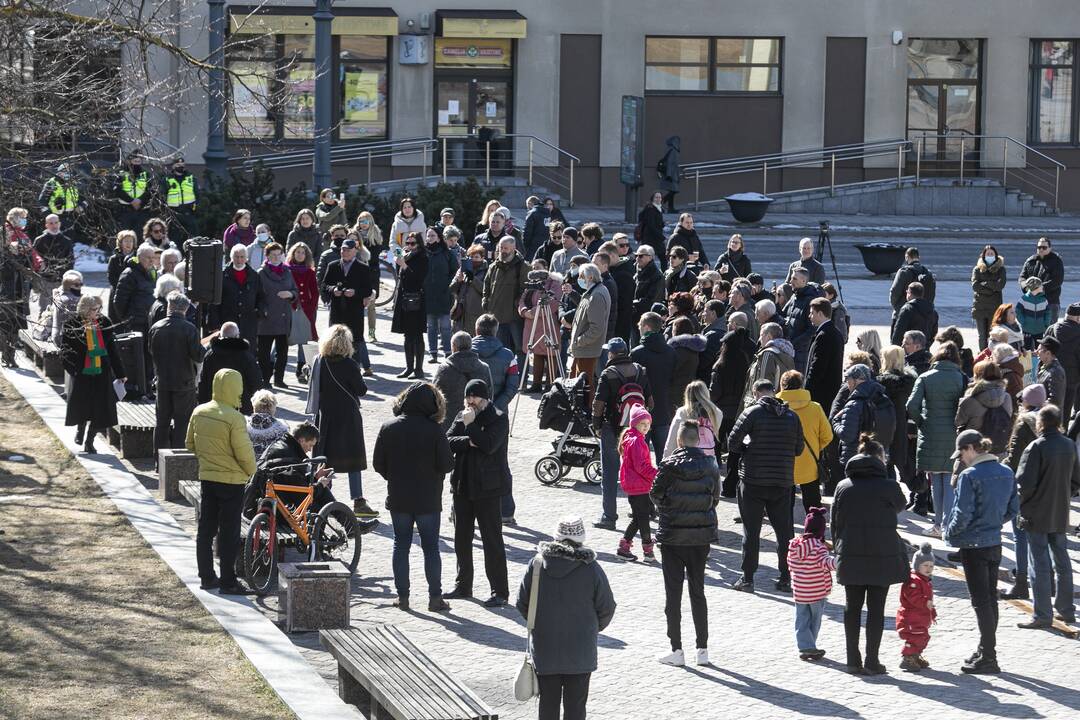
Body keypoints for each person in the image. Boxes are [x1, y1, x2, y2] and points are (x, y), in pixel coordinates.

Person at [516, 517, 616, 720]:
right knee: (576, 708)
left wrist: (541, 624)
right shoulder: (591, 568)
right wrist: (590, 628)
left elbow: (522, 603)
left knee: (547, 705)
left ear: (556, 536)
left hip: (545, 649)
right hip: (580, 651)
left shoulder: (537, 565)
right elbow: (607, 607)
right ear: (581, 538)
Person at [373, 382, 454, 612]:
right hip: (428, 498)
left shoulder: (388, 427)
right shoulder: (435, 430)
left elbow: (378, 463)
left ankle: (403, 597)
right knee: (431, 548)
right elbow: (448, 464)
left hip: (399, 496)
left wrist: (394, 476)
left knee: (401, 545)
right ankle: (435, 598)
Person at [944, 429, 1020, 673]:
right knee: (990, 599)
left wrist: (950, 534)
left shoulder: (970, 475)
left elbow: (961, 514)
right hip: (994, 542)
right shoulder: (1006, 472)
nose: (961, 460)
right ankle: (985, 648)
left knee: (981, 602)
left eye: (961, 455)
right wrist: (994, 523)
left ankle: (989, 655)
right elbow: (1013, 508)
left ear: (970, 449)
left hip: (973, 545)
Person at [832, 433, 909, 675]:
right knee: (876, 609)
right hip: (882, 554)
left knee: (851, 607)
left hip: (851, 552)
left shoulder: (843, 486)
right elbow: (901, 506)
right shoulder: (889, 486)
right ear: (880, 459)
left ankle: (852, 660)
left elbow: (835, 523)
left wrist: (839, 550)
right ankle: (872, 661)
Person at [651, 419, 719, 666]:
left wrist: (669, 509)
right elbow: (715, 497)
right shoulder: (710, 464)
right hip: (700, 538)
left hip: (673, 536)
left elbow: (655, 494)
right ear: (698, 440)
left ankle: (676, 649)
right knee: (698, 592)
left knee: (673, 595)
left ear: (679, 440)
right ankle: (702, 649)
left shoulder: (669, 466)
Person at [727, 379, 803, 593]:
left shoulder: (751, 413)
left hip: (753, 480)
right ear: (775, 392)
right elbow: (799, 449)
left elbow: (732, 443)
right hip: (782, 481)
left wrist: (748, 450)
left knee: (751, 531)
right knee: (784, 532)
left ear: (755, 392)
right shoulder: (792, 416)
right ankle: (786, 577)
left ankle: (748, 578)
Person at [186, 368, 257, 594]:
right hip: (232, 481)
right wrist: (250, 471)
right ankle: (228, 580)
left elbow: (190, 444)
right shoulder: (234, 418)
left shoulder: (199, 411)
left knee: (205, 529)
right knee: (229, 532)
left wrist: (208, 459)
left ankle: (206, 576)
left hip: (208, 477)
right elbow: (244, 453)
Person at [445, 379, 511, 607]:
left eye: (474, 397)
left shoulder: (499, 417)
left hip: (488, 488)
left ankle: (500, 591)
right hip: (462, 486)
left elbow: (489, 445)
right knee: (461, 538)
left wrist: (472, 427)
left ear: (485, 398)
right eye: (468, 397)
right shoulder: (462, 415)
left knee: (492, 540)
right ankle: (463, 585)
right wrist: (468, 440)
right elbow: (448, 441)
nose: (470, 401)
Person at [1015, 404, 1080, 629]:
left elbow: (1025, 484)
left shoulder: (1036, 447)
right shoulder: (1069, 445)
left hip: (1036, 513)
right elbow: (1076, 480)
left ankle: (1042, 614)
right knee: (1062, 561)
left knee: (1039, 564)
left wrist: (1022, 507)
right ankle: (1066, 609)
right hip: (1060, 512)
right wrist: (1062, 496)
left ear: (1040, 423)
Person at [311, 324, 376, 518]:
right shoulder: (350, 364)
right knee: (353, 459)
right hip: (348, 416)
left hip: (326, 416)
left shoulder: (320, 361)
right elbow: (361, 390)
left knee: (325, 459)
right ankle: (358, 500)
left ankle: (323, 497)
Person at [591, 338, 653, 529]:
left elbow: (598, 404)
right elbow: (650, 401)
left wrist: (597, 425)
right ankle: (645, 509)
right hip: (636, 430)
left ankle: (609, 517)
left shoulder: (608, 374)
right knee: (640, 469)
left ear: (610, 354)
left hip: (613, 427)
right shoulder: (640, 370)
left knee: (609, 473)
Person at [907, 342, 967, 537]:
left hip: (930, 432)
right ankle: (947, 524)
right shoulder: (961, 378)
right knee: (949, 479)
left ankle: (938, 524)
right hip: (953, 433)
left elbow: (911, 405)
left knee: (936, 480)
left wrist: (922, 423)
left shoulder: (925, 377)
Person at [61, 294, 126, 453]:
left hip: (102, 373)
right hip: (82, 372)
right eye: (94, 309)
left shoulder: (105, 322)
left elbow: (112, 350)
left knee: (102, 409)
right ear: (84, 309)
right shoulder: (72, 324)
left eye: (99, 309)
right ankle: (81, 428)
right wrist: (74, 370)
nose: (97, 312)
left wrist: (120, 373)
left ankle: (90, 441)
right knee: (83, 405)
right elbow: (66, 352)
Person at [1003, 384, 1048, 600]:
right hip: (1045, 487)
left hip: (1022, 486)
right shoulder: (1052, 422)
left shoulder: (1022, 424)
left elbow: (1013, 459)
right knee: (1043, 536)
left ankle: (1021, 582)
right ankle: (1047, 581)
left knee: (1019, 535)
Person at [149, 291, 203, 459]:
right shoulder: (189, 329)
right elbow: (198, 355)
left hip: (163, 382)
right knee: (182, 424)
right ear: (185, 309)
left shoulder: (155, 328)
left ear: (169, 307)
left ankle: (158, 461)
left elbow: (150, 351)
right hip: (184, 383)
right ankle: (177, 462)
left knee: (162, 423)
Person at [777, 371, 833, 515]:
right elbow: (828, 436)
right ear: (801, 385)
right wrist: (814, 447)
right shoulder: (815, 407)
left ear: (782, 386)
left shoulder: (775, 408)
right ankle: (815, 534)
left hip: (782, 464)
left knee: (783, 508)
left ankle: (785, 535)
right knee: (813, 505)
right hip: (809, 464)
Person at [786, 506, 835, 661]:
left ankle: (805, 645)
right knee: (814, 620)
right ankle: (809, 646)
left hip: (800, 591)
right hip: (817, 591)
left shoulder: (794, 545)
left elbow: (790, 565)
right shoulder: (819, 547)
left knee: (801, 619)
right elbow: (826, 563)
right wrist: (840, 562)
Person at [258, 421, 335, 514]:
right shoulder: (292, 459)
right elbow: (303, 494)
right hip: (281, 510)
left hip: (261, 502)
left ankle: (348, 522)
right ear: (302, 440)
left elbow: (294, 482)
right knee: (321, 506)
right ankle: (349, 524)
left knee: (320, 490)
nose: (310, 449)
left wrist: (315, 476)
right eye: (310, 445)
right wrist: (320, 485)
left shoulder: (281, 445)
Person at [708, 312, 755, 450]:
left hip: (721, 409)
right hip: (739, 409)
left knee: (716, 442)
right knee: (736, 445)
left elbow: (715, 391)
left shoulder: (720, 366)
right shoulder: (745, 364)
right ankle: (733, 470)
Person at [617, 405, 658, 560]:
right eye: (643, 424)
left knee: (639, 517)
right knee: (643, 519)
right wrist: (657, 474)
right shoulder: (637, 441)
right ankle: (647, 550)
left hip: (637, 485)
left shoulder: (633, 438)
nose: (646, 427)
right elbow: (641, 467)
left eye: (648, 424)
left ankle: (624, 547)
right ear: (634, 424)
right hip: (639, 486)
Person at [632, 311, 676, 452]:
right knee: (663, 460)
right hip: (664, 411)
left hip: (641, 412)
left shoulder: (636, 353)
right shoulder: (671, 352)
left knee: (638, 460)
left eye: (640, 325)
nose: (638, 328)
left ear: (646, 327)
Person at [255, 242, 298, 388]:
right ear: (267, 256)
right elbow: (256, 295)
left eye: (278, 254)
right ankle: (265, 379)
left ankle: (279, 379)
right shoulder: (261, 273)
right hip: (266, 319)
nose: (276, 257)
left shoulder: (287, 272)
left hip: (283, 317)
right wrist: (263, 309)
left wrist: (290, 294)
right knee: (264, 353)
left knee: (283, 352)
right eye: (272, 255)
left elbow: (295, 291)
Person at [197, 322, 262, 415]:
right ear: (237, 335)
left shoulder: (210, 355)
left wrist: (203, 403)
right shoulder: (246, 356)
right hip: (241, 406)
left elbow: (203, 381)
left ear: (220, 335)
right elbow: (256, 381)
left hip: (214, 405)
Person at [433, 331, 493, 431]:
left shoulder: (444, 369)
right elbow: (490, 395)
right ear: (470, 346)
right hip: (477, 422)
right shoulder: (484, 368)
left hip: (449, 423)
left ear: (454, 346)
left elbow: (434, 396)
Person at [878, 345, 918, 490]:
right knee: (903, 462)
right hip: (903, 427)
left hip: (884, 426)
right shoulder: (910, 382)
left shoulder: (880, 383)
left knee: (885, 463)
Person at [482, 236, 528, 362]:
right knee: (502, 350)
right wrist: (486, 302)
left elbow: (527, 290)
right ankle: (505, 378)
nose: (502, 250)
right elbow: (486, 286)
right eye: (501, 248)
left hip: (515, 317)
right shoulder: (493, 266)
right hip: (497, 316)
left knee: (520, 349)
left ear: (514, 248)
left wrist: (518, 303)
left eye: (506, 248)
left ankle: (521, 378)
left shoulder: (523, 266)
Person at [569, 263, 610, 403]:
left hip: (587, 349)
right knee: (579, 384)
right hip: (583, 349)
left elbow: (596, 328)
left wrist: (579, 340)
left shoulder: (597, 295)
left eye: (581, 276)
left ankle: (586, 413)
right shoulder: (593, 291)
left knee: (585, 386)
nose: (579, 279)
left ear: (590, 277)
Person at [519, 262, 563, 392]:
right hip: (531, 323)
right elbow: (522, 300)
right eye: (533, 268)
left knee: (551, 352)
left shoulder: (554, 284)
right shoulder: (532, 284)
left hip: (548, 324)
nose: (535, 271)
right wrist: (525, 312)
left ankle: (550, 385)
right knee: (536, 352)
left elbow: (554, 303)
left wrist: (534, 313)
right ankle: (536, 384)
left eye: (538, 268)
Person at [392, 231, 429, 378]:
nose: (409, 246)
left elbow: (418, 278)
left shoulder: (423, 257)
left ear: (419, 244)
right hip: (404, 299)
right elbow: (401, 277)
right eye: (407, 243)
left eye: (413, 243)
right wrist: (400, 263)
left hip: (416, 300)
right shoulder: (406, 256)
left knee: (417, 336)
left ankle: (418, 370)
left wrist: (404, 265)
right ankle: (409, 367)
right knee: (407, 335)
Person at [212, 244, 264, 349]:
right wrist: (214, 323)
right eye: (236, 256)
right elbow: (215, 301)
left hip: (248, 323)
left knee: (248, 352)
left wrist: (260, 312)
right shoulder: (222, 275)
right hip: (228, 321)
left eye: (242, 257)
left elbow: (261, 296)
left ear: (246, 258)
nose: (239, 260)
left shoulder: (254, 276)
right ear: (231, 257)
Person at [420, 226, 459, 364]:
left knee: (445, 326)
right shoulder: (422, 253)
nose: (430, 238)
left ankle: (448, 352)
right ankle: (433, 353)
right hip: (428, 294)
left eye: (433, 236)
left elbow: (455, 271)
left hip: (444, 294)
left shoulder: (447, 253)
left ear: (438, 237)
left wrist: (448, 286)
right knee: (431, 326)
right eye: (428, 236)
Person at [897, 544, 937, 672]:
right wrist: (925, 603)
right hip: (911, 618)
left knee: (923, 637)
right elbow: (913, 597)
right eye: (925, 565)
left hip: (920, 617)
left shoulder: (924, 580)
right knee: (915, 637)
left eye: (931, 566)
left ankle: (915, 655)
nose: (928, 568)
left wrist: (932, 612)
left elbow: (928, 600)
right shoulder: (913, 581)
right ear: (917, 565)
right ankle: (908, 658)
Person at [0, 209, 32, 367]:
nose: (24, 221)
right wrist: (12, 250)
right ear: (14, 219)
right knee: (6, 321)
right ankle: (6, 355)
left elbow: (28, 260)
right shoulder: (4, 233)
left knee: (16, 322)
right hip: (6, 285)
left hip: (19, 284)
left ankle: (10, 354)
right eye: (22, 218)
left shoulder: (23, 236)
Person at [955, 362, 1013, 444]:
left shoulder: (970, 399)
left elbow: (958, 421)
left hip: (975, 447)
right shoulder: (1006, 397)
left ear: (977, 376)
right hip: (999, 444)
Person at [664, 380, 722, 460]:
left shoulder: (683, 412)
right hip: (709, 460)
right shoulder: (716, 413)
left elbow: (672, 440)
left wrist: (666, 459)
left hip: (686, 461)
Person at [286, 242, 319, 383]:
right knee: (283, 338)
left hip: (304, 309)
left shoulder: (309, 271)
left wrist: (311, 308)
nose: (300, 255)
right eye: (297, 252)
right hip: (289, 308)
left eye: (303, 253)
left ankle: (301, 369)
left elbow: (315, 292)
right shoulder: (286, 270)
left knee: (303, 341)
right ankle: (274, 365)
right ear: (293, 253)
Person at [804, 297, 844, 411]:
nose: (809, 316)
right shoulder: (835, 332)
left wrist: (807, 390)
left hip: (821, 393)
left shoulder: (824, 335)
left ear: (820, 314)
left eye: (812, 313)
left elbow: (817, 367)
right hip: (830, 390)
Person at [31, 214, 74, 317]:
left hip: (61, 280)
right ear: (46, 225)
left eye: (56, 223)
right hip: (45, 280)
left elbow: (70, 261)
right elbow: (33, 259)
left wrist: (65, 278)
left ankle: (60, 331)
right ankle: (42, 331)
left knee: (62, 309)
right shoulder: (40, 240)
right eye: (51, 223)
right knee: (44, 309)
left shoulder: (66, 241)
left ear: (59, 224)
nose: (54, 225)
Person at [1043, 302, 1080, 419]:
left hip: (1049, 376)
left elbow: (1042, 351)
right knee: (1065, 414)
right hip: (1071, 380)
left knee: (1048, 411)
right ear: (1078, 318)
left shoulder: (1051, 329)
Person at [784, 268, 823, 373]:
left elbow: (811, 330)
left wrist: (793, 344)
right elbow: (783, 315)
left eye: (794, 279)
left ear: (803, 281)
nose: (790, 281)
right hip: (789, 349)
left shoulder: (809, 300)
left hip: (800, 353)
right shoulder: (794, 296)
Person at [354, 211, 385, 342]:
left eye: (366, 221)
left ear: (370, 222)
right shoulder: (353, 235)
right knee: (356, 305)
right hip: (356, 273)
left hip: (371, 273)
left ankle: (372, 333)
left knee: (371, 305)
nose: (363, 224)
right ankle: (356, 332)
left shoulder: (376, 235)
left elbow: (373, 257)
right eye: (361, 221)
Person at [1019, 237, 1064, 322]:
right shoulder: (1031, 261)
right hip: (1031, 302)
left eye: (1044, 247)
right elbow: (1022, 278)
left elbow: (1057, 280)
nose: (1041, 249)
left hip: (1050, 302)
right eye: (1039, 247)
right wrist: (1027, 288)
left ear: (1050, 248)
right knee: (1033, 330)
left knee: (1049, 332)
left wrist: (1039, 289)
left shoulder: (1056, 261)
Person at [667, 318, 705, 417]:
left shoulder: (679, 350)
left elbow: (671, 369)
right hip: (689, 388)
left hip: (675, 391)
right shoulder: (695, 348)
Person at [971, 244, 1006, 351]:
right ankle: (982, 356)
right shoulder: (977, 269)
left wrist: (985, 283)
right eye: (988, 254)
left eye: (992, 254)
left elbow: (1000, 285)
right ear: (983, 255)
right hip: (980, 307)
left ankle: (993, 356)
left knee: (993, 335)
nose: (990, 255)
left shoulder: (1001, 269)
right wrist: (992, 286)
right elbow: (975, 286)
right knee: (982, 336)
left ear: (996, 255)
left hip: (994, 307)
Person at [890, 247, 936, 329]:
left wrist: (898, 308)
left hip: (903, 314)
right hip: (922, 316)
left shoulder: (903, 272)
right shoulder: (928, 274)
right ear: (919, 257)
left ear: (907, 257)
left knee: (897, 340)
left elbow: (894, 292)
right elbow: (932, 295)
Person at [451, 243, 488, 334]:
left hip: (476, 312)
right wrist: (458, 281)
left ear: (482, 258)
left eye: (476, 257)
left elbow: (485, 290)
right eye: (471, 257)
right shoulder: (462, 269)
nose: (473, 260)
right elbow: (452, 289)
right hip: (460, 312)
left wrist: (473, 279)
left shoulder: (487, 271)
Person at [37, 164, 84, 235]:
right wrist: (49, 217)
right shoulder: (52, 183)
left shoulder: (74, 184)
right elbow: (42, 201)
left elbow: (81, 198)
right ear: (59, 172)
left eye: (69, 172)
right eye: (64, 171)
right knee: (54, 239)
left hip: (70, 217)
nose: (66, 174)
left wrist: (81, 206)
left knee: (69, 240)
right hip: (55, 217)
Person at [113, 152, 151, 235]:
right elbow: (117, 190)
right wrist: (132, 201)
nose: (137, 163)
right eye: (135, 161)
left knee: (140, 235)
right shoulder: (122, 173)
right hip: (125, 210)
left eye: (139, 161)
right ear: (130, 161)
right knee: (124, 235)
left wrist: (140, 200)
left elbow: (150, 191)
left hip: (141, 209)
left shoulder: (145, 174)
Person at [890, 282, 938, 347]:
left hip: (908, 349)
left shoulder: (907, 309)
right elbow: (934, 333)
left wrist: (895, 348)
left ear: (909, 293)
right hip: (923, 349)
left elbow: (899, 331)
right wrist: (926, 345)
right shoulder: (933, 312)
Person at [245, 389, 289, 460]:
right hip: (271, 467)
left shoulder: (243, 425)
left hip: (248, 465)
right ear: (273, 407)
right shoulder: (282, 427)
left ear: (254, 406)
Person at [1017, 276, 1053, 349]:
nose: (1042, 287)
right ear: (1035, 288)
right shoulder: (1024, 299)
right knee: (1026, 349)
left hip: (1040, 329)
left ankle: (1038, 360)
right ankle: (1027, 360)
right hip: (1027, 330)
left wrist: (1046, 323)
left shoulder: (1044, 300)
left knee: (1039, 348)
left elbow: (1048, 312)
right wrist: (1023, 322)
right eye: (1040, 285)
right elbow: (1018, 311)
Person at [50, 271, 83, 346]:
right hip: (64, 339)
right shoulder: (68, 300)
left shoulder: (61, 295)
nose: (80, 287)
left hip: (60, 336)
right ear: (68, 286)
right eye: (77, 285)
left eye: (81, 284)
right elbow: (74, 322)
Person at [1036, 336, 1066, 408]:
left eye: (1039, 349)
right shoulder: (1043, 365)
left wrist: (1036, 405)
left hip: (1049, 417)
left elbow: (1055, 400)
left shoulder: (1056, 372)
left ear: (1048, 353)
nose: (1036, 352)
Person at [107, 230, 137, 301]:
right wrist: (122, 288)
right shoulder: (114, 259)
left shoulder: (138, 257)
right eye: (126, 241)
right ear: (121, 243)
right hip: (117, 293)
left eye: (131, 241)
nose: (128, 243)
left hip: (135, 294)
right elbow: (111, 277)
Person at [657, 135, 681, 212]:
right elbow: (670, 163)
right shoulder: (673, 151)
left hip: (672, 174)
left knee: (672, 191)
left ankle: (671, 208)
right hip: (671, 175)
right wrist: (669, 175)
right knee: (673, 191)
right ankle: (659, 204)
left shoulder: (671, 149)